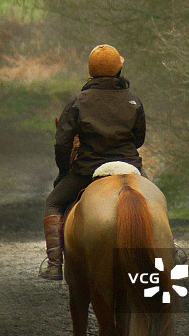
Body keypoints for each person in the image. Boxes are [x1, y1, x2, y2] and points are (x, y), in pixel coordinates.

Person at [39, 44, 146, 281]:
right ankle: (170, 247)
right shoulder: (133, 100)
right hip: (130, 166)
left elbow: (62, 143)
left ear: (91, 72)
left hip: (88, 170)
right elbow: (139, 139)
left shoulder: (78, 102)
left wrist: (65, 169)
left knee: (53, 204)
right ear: (119, 70)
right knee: (154, 198)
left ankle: (55, 264)